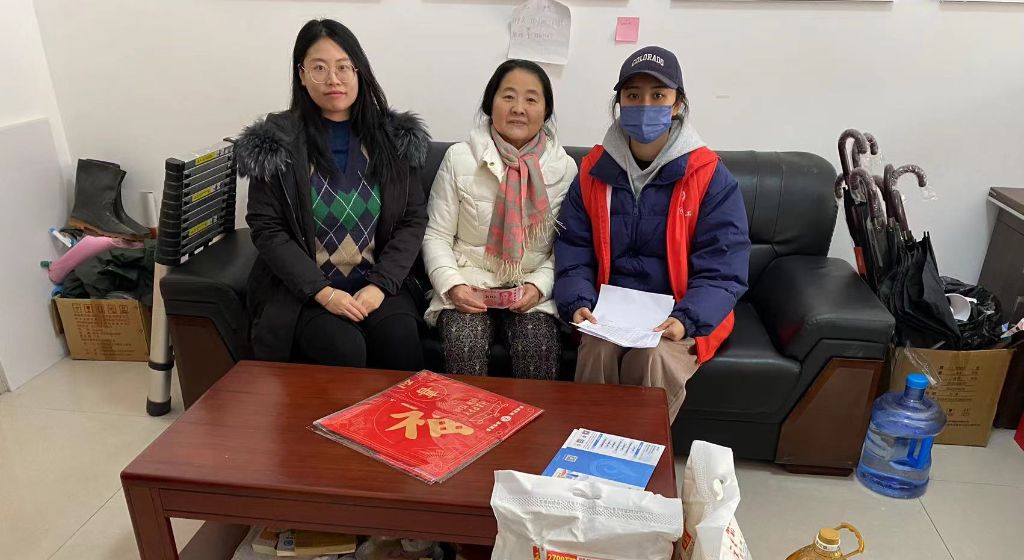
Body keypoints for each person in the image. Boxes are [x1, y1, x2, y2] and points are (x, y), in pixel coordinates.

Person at [554, 46, 750, 420]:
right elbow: (573, 247)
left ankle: (640, 450)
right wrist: (577, 301)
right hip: (609, 315)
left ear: (678, 104)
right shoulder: (593, 171)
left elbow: (724, 269)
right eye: (633, 96)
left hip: (678, 312)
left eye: (658, 95)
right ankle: (586, 445)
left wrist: (686, 319)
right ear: (619, 103)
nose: (645, 105)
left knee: (650, 356)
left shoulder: (710, 176)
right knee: (596, 350)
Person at [236, 18, 431, 369]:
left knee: (398, 337)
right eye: (319, 68)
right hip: (303, 291)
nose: (333, 79)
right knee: (342, 347)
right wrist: (323, 293)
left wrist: (380, 286)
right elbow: (267, 228)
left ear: (359, 71)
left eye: (343, 67)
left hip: (378, 284)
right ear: (301, 74)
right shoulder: (276, 141)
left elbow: (412, 219)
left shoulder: (393, 139)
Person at [422, 60, 577, 379]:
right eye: (508, 96)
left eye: (531, 99)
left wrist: (539, 287)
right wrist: (453, 286)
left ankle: (532, 416)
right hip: (469, 284)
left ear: (546, 111)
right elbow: (436, 235)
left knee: (538, 346)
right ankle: (466, 414)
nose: (519, 108)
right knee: (464, 343)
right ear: (490, 104)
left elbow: (567, 247)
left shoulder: (564, 168)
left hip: (529, 289)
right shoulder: (459, 158)